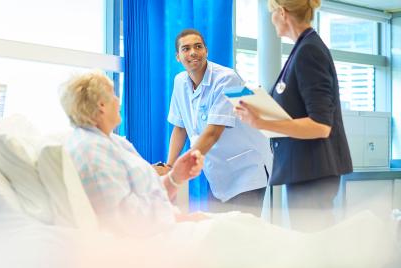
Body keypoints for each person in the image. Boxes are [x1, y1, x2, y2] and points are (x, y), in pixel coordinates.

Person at [234, 0, 353, 232]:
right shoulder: (303, 49)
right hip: (306, 169)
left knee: (312, 246)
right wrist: (262, 110)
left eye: (272, 14)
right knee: (309, 244)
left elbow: (320, 125)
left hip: (314, 170)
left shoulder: (309, 51)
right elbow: (299, 110)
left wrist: (261, 122)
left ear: (282, 13)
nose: (271, 20)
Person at [59, 71, 205, 236]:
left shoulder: (115, 142)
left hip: (168, 225)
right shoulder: (90, 150)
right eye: (113, 95)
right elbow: (125, 220)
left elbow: (148, 195)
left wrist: (175, 177)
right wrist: (183, 220)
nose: (118, 101)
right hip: (154, 239)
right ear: (101, 105)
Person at [163, 28, 273, 217]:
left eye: (198, 47)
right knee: (219, 237)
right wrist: (170, 166)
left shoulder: (227, 78)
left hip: (247, 169)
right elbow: (179, 127)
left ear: (206, 51)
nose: (193, 53)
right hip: (218, 175)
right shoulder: (180, 81)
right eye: (186, 49)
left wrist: (182, 170)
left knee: (243, 236)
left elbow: (213, 132)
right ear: (178, 56)